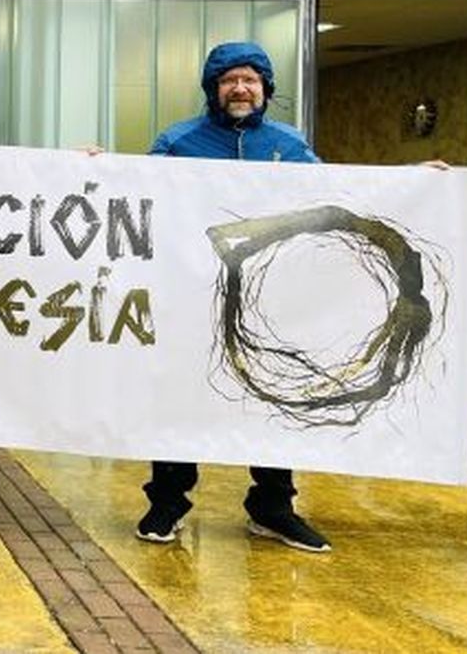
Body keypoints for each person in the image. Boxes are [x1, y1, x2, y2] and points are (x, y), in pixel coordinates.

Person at [133, 40, 333, 553]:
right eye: (228, 80)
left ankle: (272, 506)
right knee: (180, 396)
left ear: (266, 88)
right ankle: (167, 502)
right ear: (213, 90)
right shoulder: (177, 142)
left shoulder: (291, 146)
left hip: (269, 299)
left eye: (249, 79)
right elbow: (134, 196)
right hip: (190, 295)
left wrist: (423, 183)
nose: (240, 88)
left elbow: (338, 196)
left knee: (271, 395)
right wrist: (90, 169)